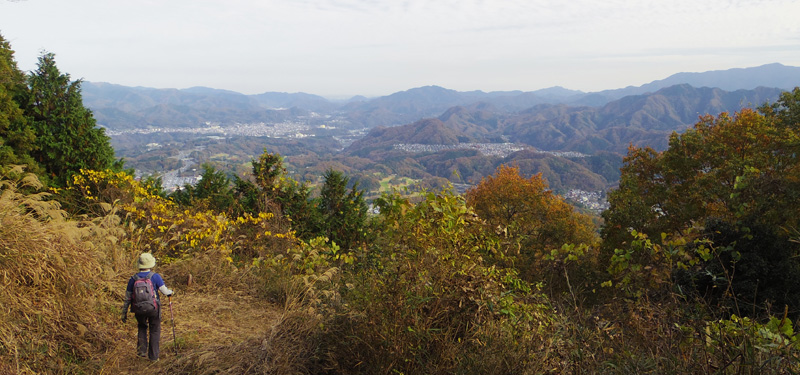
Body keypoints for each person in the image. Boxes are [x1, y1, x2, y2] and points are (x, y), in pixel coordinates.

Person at [121, 252, 174, 361]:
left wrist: (124, 313)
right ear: (151, 264)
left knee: (142, 327)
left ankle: (141, 352)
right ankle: (154, 357)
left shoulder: (133, 279)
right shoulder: (155, 277)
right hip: (153, 308)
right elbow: (165, 291)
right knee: (154, 330)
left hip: (138, 308)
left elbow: (128, 298)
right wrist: (170, 292)